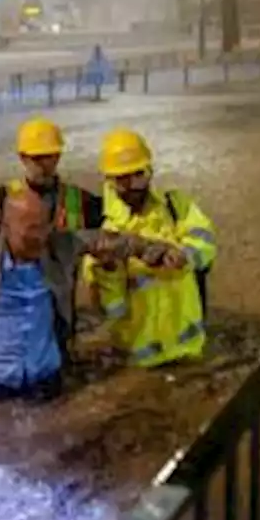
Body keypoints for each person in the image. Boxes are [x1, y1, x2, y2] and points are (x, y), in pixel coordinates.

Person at [0, 189, 187, 401]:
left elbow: (111, 241)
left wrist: (157, 251)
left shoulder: (61, 245)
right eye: (31, 231)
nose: (41, 238)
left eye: (45, 227)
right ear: (5, 228)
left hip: (47, 383)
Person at [91, 128, 217, 367]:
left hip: (190, 350)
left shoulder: (176, 206)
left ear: (150, 171)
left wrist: (185, 254)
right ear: (110, 182)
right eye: (123, 180)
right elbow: (112, 311)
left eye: (139, 175)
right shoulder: (107, 233)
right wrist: (108, 270)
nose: (133, 186)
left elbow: (207, 242)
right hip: (142, 364)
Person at [0, 118, 104, 232]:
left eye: (48, 157)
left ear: (58, 156)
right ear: (23, 158)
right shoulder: (6, 197)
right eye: (37, 158)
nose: (44, 164)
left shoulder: (78, 198)